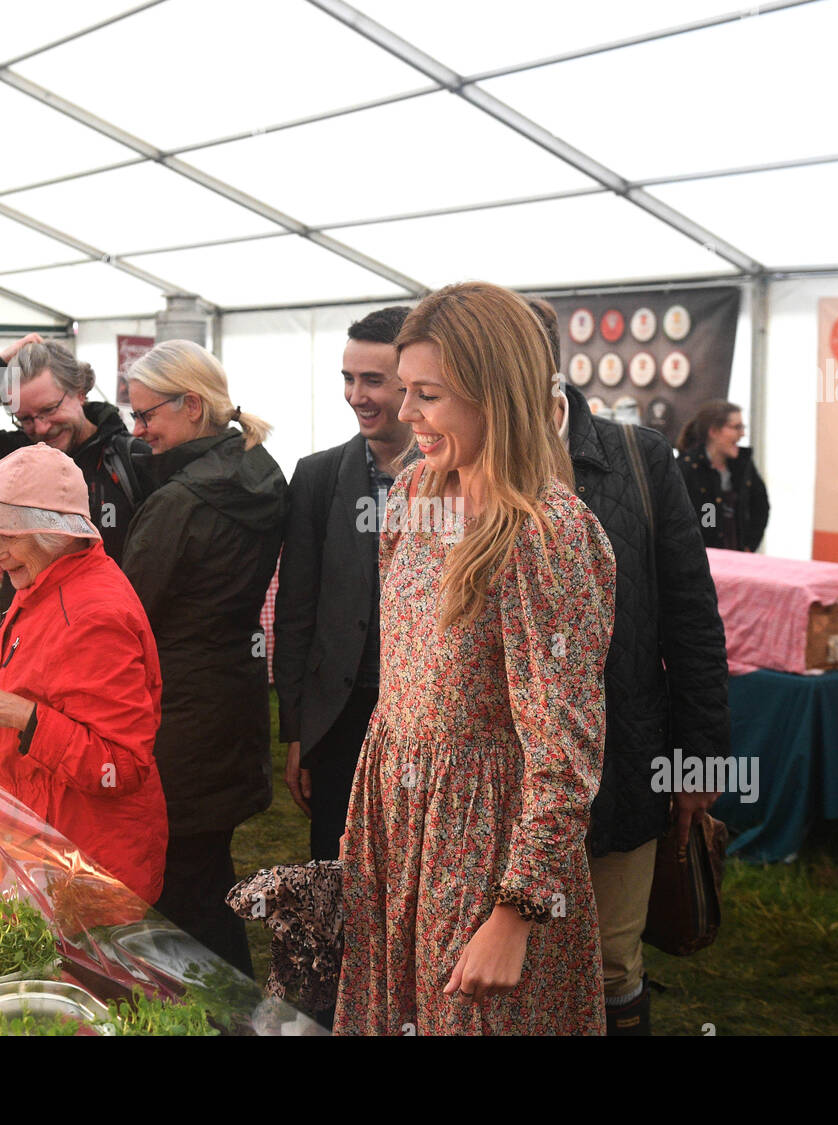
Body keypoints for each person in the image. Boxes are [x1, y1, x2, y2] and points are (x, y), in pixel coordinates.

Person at [335, 282, 616, 1036]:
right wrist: (372, 824)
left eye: (428, 394)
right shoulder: (415, 490)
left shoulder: (546, 534)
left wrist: (516, 911)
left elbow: (565, 748)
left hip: (486, 846)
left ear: (496, 393)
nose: (404, 413)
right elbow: (403, 682)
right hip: (401, 825)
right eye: (406, 391)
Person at [532, 297, 729, 1035]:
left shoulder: (639, 458)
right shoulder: (459, 465)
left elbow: (692, 618)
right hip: (509, 767)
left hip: (625, 755)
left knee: (613, 961)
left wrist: (698, 762)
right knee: (509, 954)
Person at [121, 340, 286, 977]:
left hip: (177, 713)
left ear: (192, 405)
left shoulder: (180, 503)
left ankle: (213, 1012)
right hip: (230, 699)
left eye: (146, 416)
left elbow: (129, 614)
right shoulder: (260, 469)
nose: (139, 433)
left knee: (180, 894)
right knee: (206, 874)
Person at [0, 443, 167, 904]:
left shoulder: (94, 615)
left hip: (82, 873)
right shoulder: (45, 583)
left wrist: (25, 717)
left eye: (8, 536)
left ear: (53, 532)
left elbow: (121, 765)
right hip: (38, 855)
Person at [274, 305, 415, 863]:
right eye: (348, 379)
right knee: (339, 873)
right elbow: (296, 609)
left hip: (426, 719)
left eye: (373, 380)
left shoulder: (464, 480)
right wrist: (298, 732)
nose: (357, 395)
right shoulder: (317, 475)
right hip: (342, 717)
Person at [0, 333, 152, 609]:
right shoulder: (17, 460)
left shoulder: (130, 459)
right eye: (25, 419)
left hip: (103, 628)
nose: (41, 428)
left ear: (80, 392)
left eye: (49, 409)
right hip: (27, 628)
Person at [676, 399, 770, 552]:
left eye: (743, 427)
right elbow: (685, 520)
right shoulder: (687, 468)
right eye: (736, 427)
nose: (742, 434)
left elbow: (760, 507)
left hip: (737, 557)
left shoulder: (743, 465)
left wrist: (749, 545)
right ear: (714, 432)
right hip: (703, 561)